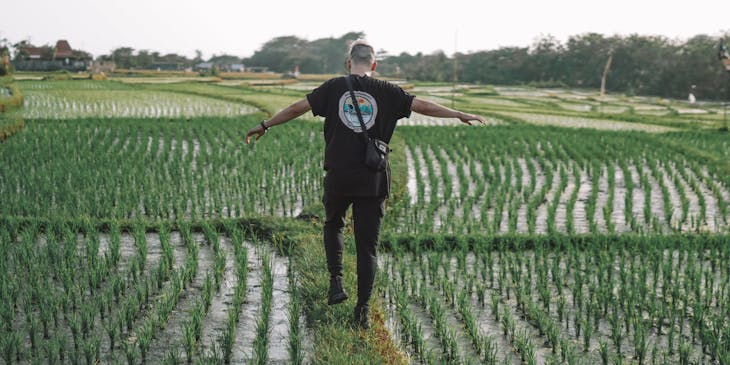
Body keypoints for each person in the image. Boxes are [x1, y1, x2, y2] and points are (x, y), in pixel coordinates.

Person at [245, 39, 486, 329]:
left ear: (349, 62)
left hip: (339, 175)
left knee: (333, 224)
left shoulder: (334, 87)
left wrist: (265, 125)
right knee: (367, 246)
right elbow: (423, 106)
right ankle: (361, 311)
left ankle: (336, 283)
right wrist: (459, 114)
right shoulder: (388, 92)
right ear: (374, 64)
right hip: (372, 179)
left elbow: (297, 107)